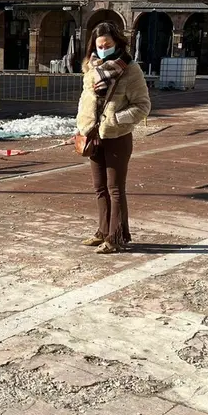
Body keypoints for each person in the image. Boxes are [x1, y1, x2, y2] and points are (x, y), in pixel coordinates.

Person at [75, 23, 151, 255]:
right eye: (99, 46)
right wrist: (81, 126)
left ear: (117, 43)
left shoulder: (130, 70)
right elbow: (85, 101)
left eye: (107, 45)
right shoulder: (90, 68)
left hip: (117, 136)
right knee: (99, 188)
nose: (103, 50)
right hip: (92, 135)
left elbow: (143, 106)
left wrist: (114, 120)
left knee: (115, 188)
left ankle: (116, 237)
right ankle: (102, 231)